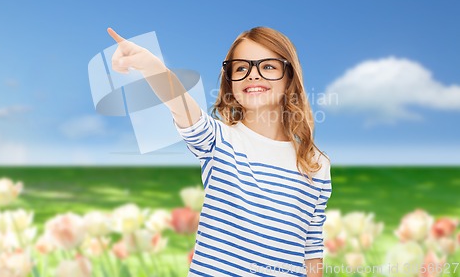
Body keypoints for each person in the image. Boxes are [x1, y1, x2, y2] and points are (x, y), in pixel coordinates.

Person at [108, 26, 332, 277]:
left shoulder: (316, 165)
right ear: (230, 83)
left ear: (289, 78)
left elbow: (311, 249)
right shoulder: (218, 140)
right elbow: (179, 103)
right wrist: (149, 64)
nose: (253, 75)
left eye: (268, 66)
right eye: (241, 68)